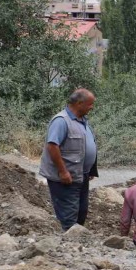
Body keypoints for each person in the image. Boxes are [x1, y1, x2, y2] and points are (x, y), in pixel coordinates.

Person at [39, 89, 98, 231]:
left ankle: (76, 245)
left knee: (81, 213)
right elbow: (52, 146)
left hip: (80, 176)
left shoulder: (83, 121)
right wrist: (63, 171)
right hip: (66, 178)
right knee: (68, 218)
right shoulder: (61, 121)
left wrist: (90, 169)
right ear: (79, 103)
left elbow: (86, 146)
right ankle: (68, 247)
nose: (92, 107)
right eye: (90, 104)